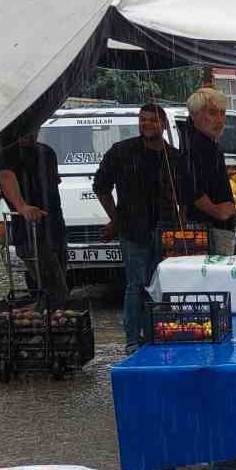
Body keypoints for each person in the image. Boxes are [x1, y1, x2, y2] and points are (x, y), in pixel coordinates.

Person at [93, 103, 196, 352]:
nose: (146, 124)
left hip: (166, 231)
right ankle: (132, 340)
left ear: (162, 124)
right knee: (135, 286)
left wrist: (181, 232)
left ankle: (157, 334)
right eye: (143, 120)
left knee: (162, 285)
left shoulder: (175, 157)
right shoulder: (122, 151)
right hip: (133, 231)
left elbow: (184, 198)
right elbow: (101, 186)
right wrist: (116, 219)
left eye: (152, 120)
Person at [0, 127, 69, 305]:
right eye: (24, 128)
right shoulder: (7, 154)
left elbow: (52, 185)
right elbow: (6, 176)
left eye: (33, 128)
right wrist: (21, 206)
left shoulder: (47, 153)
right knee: (55, 292)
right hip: (30, 233)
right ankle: (43, 327)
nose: (29, 133)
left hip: (54, 229)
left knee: (54, 290)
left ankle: (46, 324)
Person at [177, 88, 236, 257]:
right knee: (216, 280)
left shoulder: (207, 141)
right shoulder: (195, 145)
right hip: (208, 229)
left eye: (222, 113)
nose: (219, 119)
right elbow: (190, 187)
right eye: (212, 113)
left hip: (214, 228)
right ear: (194, 115)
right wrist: (216, 211)